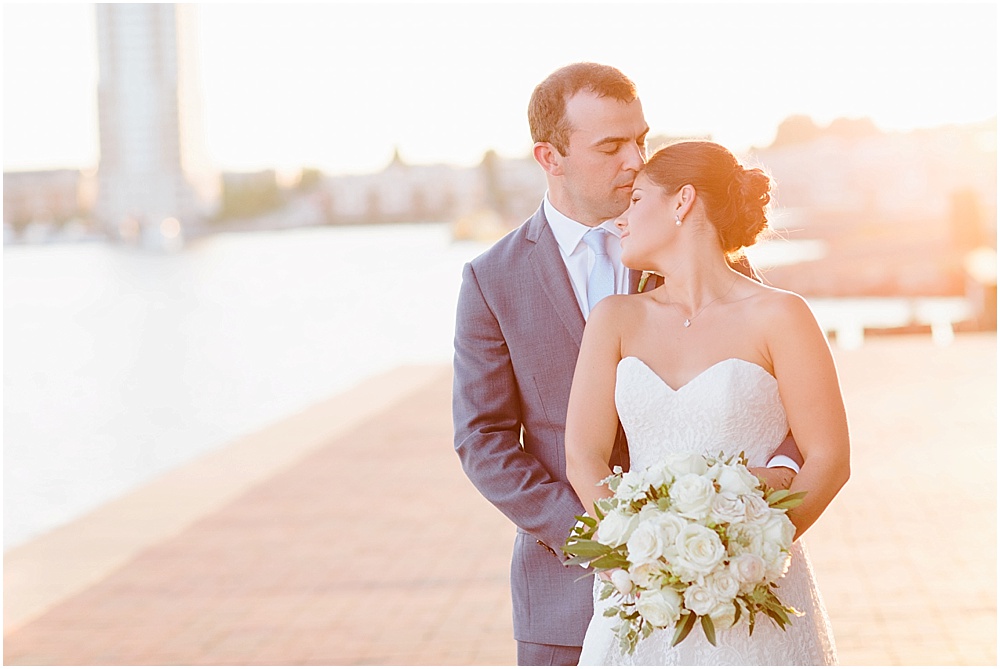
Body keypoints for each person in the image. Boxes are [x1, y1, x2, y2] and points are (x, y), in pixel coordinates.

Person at [452, 63, 800, 666]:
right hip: (562, 597)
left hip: (716, 595)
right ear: (549, 157)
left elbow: (783, 396)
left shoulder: (697, 247)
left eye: (640, 139)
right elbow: (482, 439)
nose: (635, 160)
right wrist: (609, 541)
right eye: (610, 146)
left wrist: (755, 507)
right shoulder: (492, 279)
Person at [565, 140, 850, 665]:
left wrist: (745, 558)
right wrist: (641, 556)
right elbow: (583, 455)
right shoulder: (614, 320)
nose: (620, 220)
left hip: (754, 599)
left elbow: (829, 459)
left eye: (636, 200)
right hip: (642, 599)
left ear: (683, 202)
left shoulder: (782, 317)